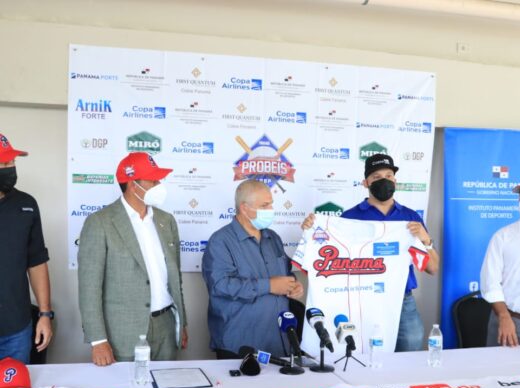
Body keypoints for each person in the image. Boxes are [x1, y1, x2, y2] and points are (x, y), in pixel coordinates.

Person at [302, 154, 439, 351]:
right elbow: (327, 251)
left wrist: (426, 240)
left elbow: (432, 268)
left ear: (395, 180)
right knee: (362, 354)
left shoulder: (410, 217)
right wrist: (312, 228)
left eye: (389, 176)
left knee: (411, 350)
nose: (384, 180)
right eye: (376, 177)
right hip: (362, 298)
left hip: (402, 299)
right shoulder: (349, 218)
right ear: (365, 183)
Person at [78, 152, 187, 366]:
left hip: (166, 328)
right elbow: (89, 288)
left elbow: (176, 278)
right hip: (123, 334)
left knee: (165, 385)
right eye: (153, 180)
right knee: (127, 386)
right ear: (132, 184)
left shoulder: (166, 221)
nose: (159, 185)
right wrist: (98, 340)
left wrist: (182, 323)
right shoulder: (100, 222)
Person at [202, 179, 304, 359]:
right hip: (240, 344)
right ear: (244, 208)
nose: (271, 209)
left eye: (271, 204)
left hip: (278, 341)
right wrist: (269, 286)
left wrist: (293, 286)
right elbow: (220, 286)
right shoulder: (220, 241)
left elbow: (285, 274)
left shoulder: (273, 238)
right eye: (264, 205)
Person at [0, 133, 53, 364]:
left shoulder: (26, 205)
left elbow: (37, 261)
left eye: (11, 162)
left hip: (17, 329)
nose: (10, 169)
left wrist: (45, 314)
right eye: (3, 164)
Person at [481, 175, 520, 347]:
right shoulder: (503, 236)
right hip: (510, 322)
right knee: (499, 366)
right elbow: (490, 282)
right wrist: (504, 317)